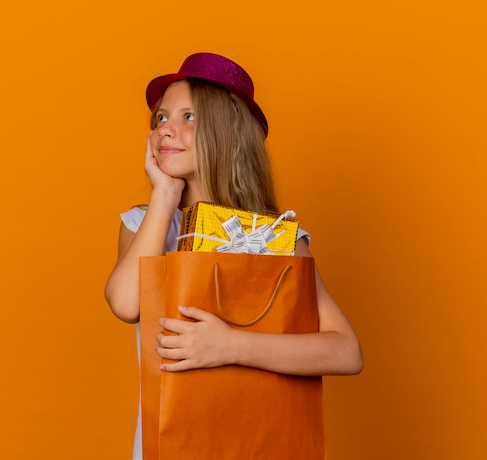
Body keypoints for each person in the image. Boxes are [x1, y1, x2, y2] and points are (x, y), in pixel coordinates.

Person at [104, 52, 363, 459]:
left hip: (258, 443)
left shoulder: (274, 238)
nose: (166, 129)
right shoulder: (146, 223)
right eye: (160, 118)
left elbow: (346, 351)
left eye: (189, 117)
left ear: (226, 134)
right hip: (169, 443)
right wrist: (165, 196)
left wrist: (230, 345)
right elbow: (125, 303)